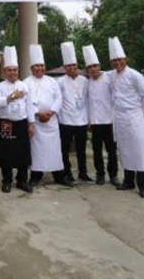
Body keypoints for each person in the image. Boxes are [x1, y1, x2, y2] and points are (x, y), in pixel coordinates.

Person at [109, 37, 144, 198]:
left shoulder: (135, 75)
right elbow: (98, 74)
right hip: (119, 118)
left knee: (139, 151)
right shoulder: (111, 75)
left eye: (120, 60)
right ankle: (128, 181)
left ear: (125, 59)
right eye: (114, 60)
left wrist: (143, 111)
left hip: (134, 116)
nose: (117, 63)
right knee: (124, 150)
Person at [24, 45, 72, 188]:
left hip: (51, 121)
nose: (39, 68)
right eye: (36, 66)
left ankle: (58, 176)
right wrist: (38, 113)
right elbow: (26, 102)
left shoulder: (52, 81)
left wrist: (50, 112)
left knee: (55, 150)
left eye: (41, 65)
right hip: (36, 122)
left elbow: (59, 98)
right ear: (32, 68)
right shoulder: (26, 82)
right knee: (36, 151)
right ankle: (35, 176)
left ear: (44, 67)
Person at [0, 46, 35, 193]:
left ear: (18, 71)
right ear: (5, 72)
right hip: (6, 123)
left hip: (22, 123)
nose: (12, 73)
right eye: (9, 70)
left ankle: (22, 180)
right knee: (6, 153)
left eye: (15, 70)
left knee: (23, 153)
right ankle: (7, 181)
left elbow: (29, 105)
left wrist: (31, 123)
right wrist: (10, 98)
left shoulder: (24, 85)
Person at [83, 45, 120, 187]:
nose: (93, 69)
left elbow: (116, 99)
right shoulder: (88, 83)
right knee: (96, 151)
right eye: (90, 67)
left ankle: (113, 175)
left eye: (95, 66)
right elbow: (87, 103)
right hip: (95, 122)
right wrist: (89, 122)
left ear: (99, 66)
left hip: (110, 122)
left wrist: (114, 118)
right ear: (87, 70)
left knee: (111, 151)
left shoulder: (109, 78)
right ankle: (100, 174)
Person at [57, 41, 92, 183]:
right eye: (69, 66)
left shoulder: (84, 80)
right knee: (64, 150)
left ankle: (83, 172)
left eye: (74, 65)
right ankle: (67, 173)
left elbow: (88, 100)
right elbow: (57, 101)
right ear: (65, 67)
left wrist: (89, 119)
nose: (72, 68)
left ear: (77, 66)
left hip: (81, 120)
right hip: (65, 120)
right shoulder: (59, 81)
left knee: (81, 150)